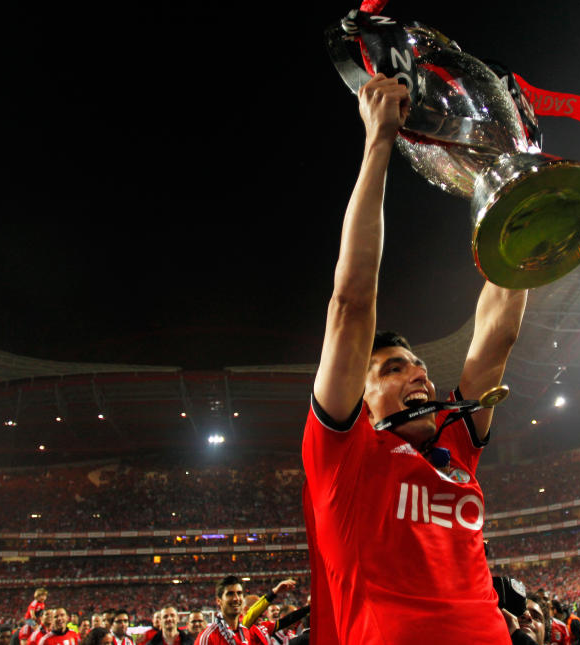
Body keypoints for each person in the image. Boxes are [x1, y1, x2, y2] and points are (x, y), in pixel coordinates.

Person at [301, 72, 528, 644]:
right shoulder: (343, 459)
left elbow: (497, 333)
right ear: (361, 394)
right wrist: (379, 140)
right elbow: (352, 305)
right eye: (392, 368)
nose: (418, 372)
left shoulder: (454, 444)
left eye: (417, 364)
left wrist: (515, 182)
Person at [196, 576, 253, 645]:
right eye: (230, 594)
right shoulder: (208, 637)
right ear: (219, 601)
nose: (236, 598)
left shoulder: (245, 632)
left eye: (239, 593)